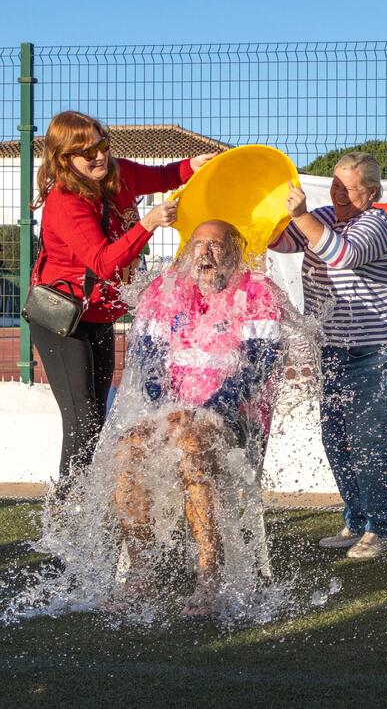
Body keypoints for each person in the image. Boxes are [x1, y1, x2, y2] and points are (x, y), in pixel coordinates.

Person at [29, 110, 215, 481]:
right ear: (65, 159)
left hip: (99, 317)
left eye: (102, 144)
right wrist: (147, 224)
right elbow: (103, 262)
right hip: (63, 322)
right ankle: (69, 513)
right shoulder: (66, 202)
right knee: (82, 420)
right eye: (87, 152)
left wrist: (196, 163)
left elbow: (163, 176)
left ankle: (87, 506)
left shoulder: (118, 173)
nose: (99, 155)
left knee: (97, 416)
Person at [113, 220, 282, 617]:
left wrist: (208, 411)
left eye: (216, 245)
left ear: (236, 254)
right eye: (198, 243)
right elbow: (148, 362)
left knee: (192, 445)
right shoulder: (165, 292)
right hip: (172, 412)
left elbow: (258, 367)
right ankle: (141, 576)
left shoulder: (257, 292)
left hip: (234, 415)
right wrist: (168, 409)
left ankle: (209, 577)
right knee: (127, 449)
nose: (205, 252)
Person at [272, 152, 387, 559]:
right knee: (337, 439)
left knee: (372, 440)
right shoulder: (320, 215)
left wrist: (300, 216)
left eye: (347, 187)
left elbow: (342, 255)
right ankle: (356, 520)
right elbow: (277, 241)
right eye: (335, 184)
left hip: (379, 351)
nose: (337, 192)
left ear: (370, 193)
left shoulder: (376, 223)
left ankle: (381, 529)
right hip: (333, 350)